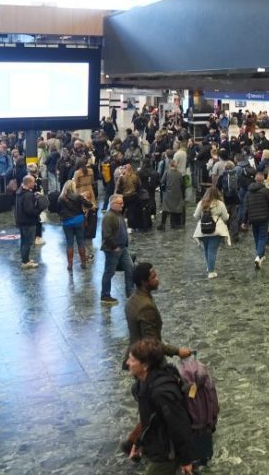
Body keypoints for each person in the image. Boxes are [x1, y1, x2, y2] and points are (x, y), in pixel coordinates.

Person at [125, 338, 196, 474]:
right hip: (156, 445)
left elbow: (179, 425)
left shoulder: (162, 392)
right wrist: (139, 442)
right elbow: (150, 420)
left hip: (168, 452)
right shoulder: (143, 383)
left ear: (145, 365)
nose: (127, 363)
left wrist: (186, 460)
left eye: (132, 360)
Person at [100, 193, 133, 305]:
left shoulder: (118, 214)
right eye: (120, 203)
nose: (122, 205)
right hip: (113, 249)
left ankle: (130, 293)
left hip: (122, 248)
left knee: (130, 268)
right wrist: (115, 247)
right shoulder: (109, 217)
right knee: (109, 272)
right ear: (113, 204)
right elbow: (107, 235)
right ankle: (105, 295)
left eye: (122, 203)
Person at [193, 186, 231, 279]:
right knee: (212, 251)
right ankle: (211, 271)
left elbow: (196, 216)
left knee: (206, 249)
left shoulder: (202, 203)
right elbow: (226, 217)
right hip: (216, 230)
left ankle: (208, 266)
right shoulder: (220, 204)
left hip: (203, 229)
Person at [241, 172, 269, 270]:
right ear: (263, 180)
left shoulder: (248, 192)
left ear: (255, 179)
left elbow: (245, 208)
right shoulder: (266, 191)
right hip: (264, 218)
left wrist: (244, 221)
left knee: (256, 236)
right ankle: (259, 256)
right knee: (263, 237)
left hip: (252, 218)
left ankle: (261, 255)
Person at [58, 179, 93, 272]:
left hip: (67, 222)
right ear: (73, 187)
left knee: (69, 243)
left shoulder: (61, 198)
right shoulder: (78, 197)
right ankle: (83, 263)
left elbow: (58, 210)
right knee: (80, 242)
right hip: (78, 220)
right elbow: (89, 205)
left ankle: (70, 264)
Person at [158, 161, 184, 230]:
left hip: (168, 193)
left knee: (165, 209)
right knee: (175, 208)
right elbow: (181, 183)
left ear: (170, 165)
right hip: (177, 194)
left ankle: (163, 224)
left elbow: (162, 182)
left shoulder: (167, 172)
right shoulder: (179, 174)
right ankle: (174, 223)